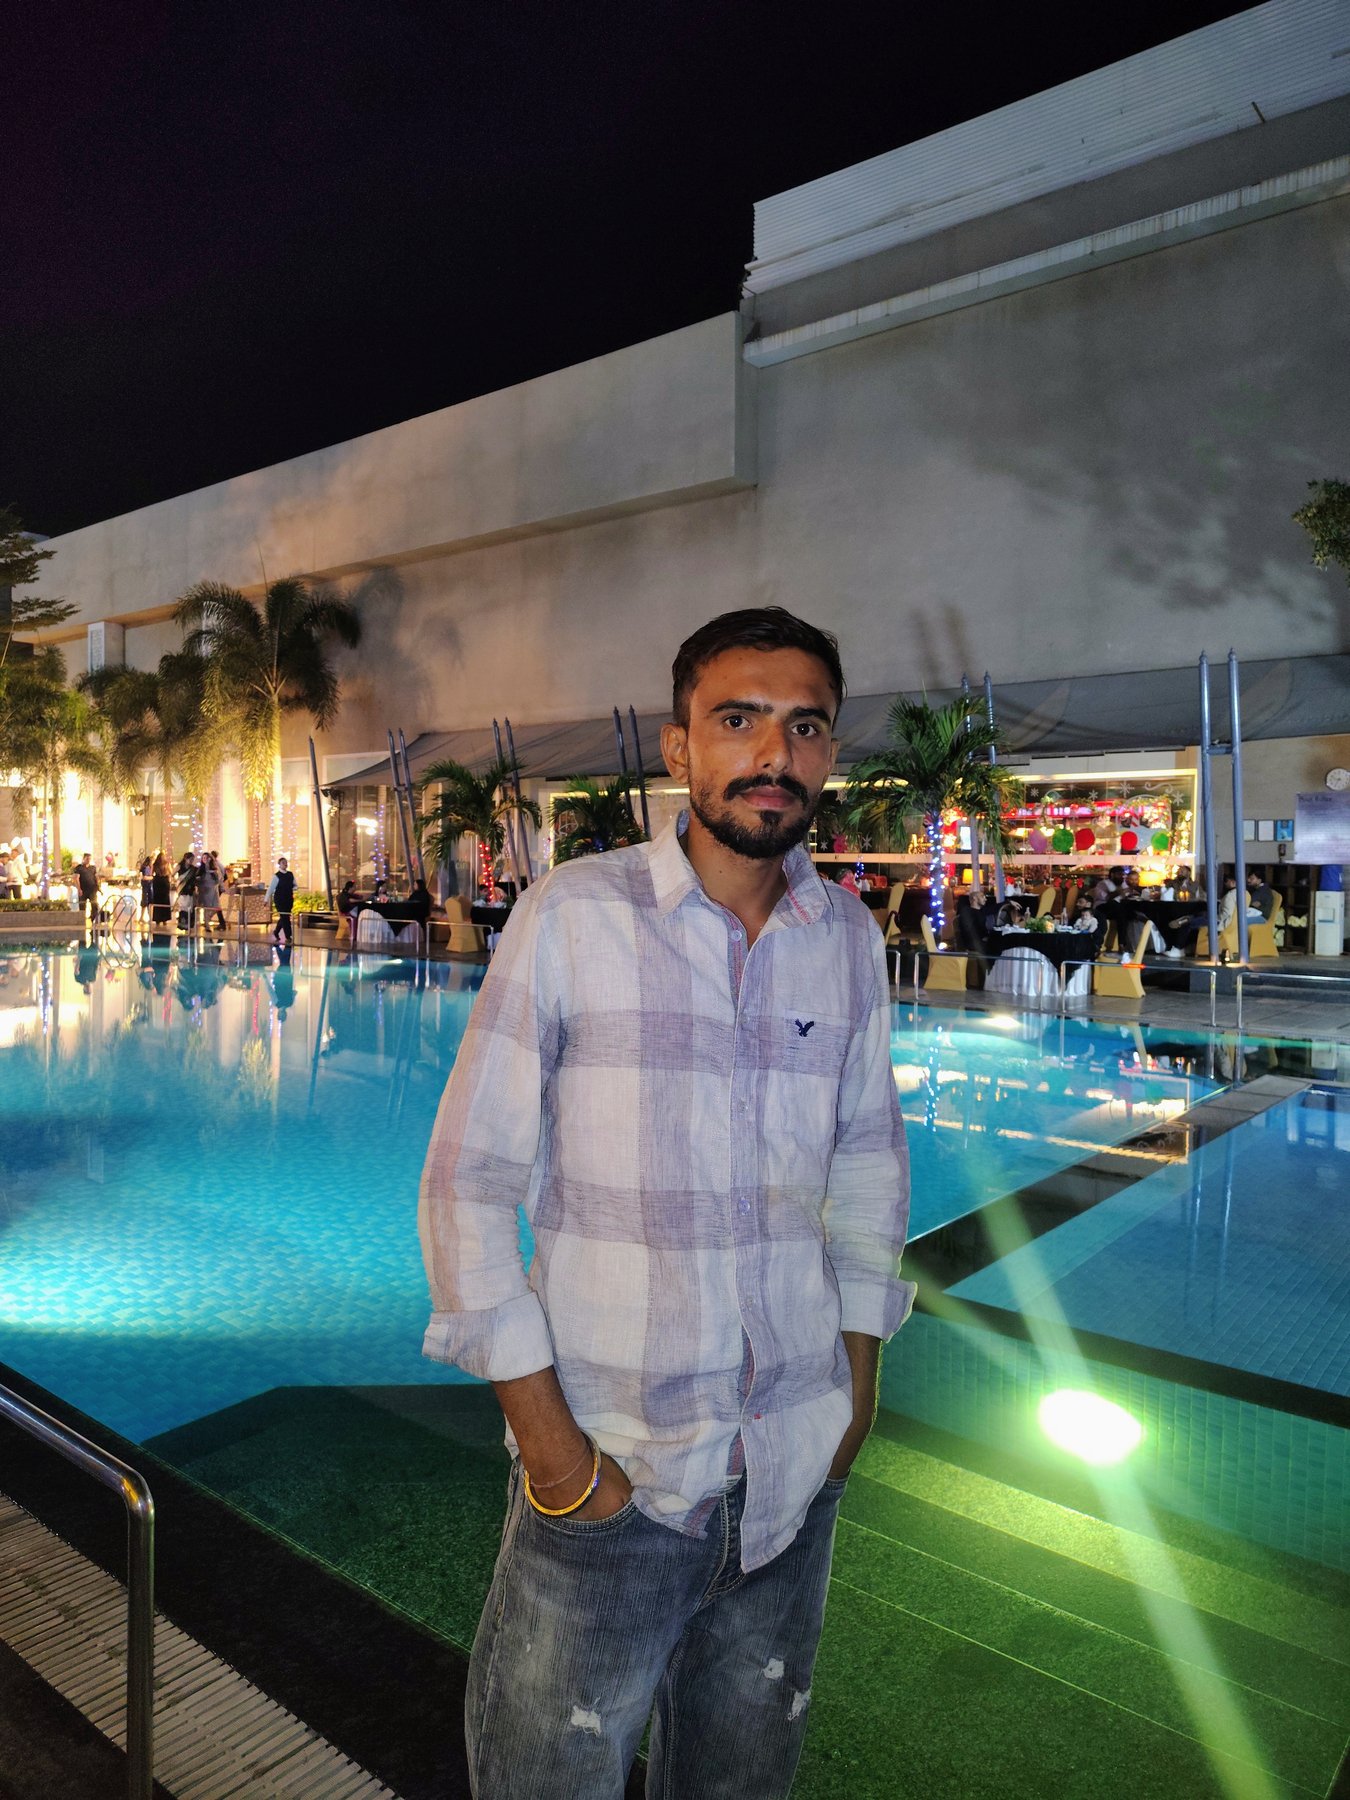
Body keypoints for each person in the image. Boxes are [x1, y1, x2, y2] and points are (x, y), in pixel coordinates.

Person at [420, 606, 912, 1800]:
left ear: (829, 753)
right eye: (738, 720)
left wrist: (853, 1394)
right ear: (681, 748)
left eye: (805, 726)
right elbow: (466, 1185)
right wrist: (558, 1458)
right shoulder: (574, 916)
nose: (774, 753)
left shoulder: (846, 938)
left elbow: (867, 1169)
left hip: (791, 1480)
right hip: (613, 1480)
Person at [266, 856, 296, 943]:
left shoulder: (290, 874)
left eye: (286, 862)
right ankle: (288, 936)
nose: (285, 864)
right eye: (283, 863)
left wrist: (292, 888)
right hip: (279, 899)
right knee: (285, 917)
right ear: (279, 864)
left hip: (288, 899)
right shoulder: (277, 876)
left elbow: (295, 885)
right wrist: (266, 899)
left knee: (284, 917)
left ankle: (276, 932)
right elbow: (271, 888)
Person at [196, 851, 226, 931]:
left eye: (207, 858)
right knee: (205, 907)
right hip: (204, 890)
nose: (205, 859)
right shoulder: (200, 869)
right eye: (203, 858)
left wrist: (221, 886)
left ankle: (208, 920)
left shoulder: (215, 868)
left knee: (216, 907)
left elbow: (220, 878)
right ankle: (207, 925)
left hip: (213, 890)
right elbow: (197, 879)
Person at [75, 852, 101, 925]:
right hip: (83, 890)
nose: (88, 860)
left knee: (94, 905)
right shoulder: (79, 868)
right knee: (82, 906)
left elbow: (96, 877)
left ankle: (94, 920)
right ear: (83, 859)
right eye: (87, 859)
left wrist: (98, 886)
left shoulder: (93, 868)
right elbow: (76, 878)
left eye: (89, 859)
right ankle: (82, 921)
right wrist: (79, 889)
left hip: (92, 889)